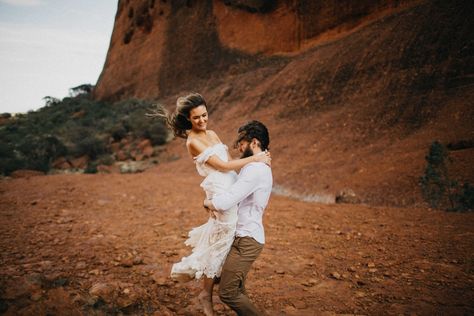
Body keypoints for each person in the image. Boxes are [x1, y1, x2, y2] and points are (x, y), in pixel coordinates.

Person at [148, 93, 271, 316]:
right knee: (220, 241)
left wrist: (251, 171)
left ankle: (227, 288)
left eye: (205, 115)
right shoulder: (192, 141)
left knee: (223, 241)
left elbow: (231, 167)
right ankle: (208, 294)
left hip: (230, 185)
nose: (203, 120)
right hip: (219, 187)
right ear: (188, 118)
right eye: (196, 118)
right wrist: (255, 158)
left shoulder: (212, 133)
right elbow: (223, 166)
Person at [204, 120, 272, 316]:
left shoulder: (255, 169)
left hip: (247, 239)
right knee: (237, 288)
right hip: (244, 236)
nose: (239, 146)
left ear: (254, 142)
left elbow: (228, 200)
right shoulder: (256, 166)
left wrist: (209, 202)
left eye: (242, 141)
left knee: (228, 292)